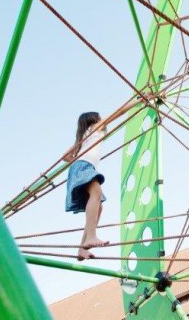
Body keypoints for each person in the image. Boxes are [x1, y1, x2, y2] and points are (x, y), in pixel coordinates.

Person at [65, 97, 144, 260]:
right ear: (93, 121)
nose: (102, 120)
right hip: (84, 166)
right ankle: (91, 236)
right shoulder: (95, 128)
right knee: (97, 194)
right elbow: (120, 111)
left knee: (98, 206)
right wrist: (139, 101)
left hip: (81, 166)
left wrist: (76, 159)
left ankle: (82, 248)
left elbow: (65, 157)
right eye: (100, 118)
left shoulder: (83, 138)